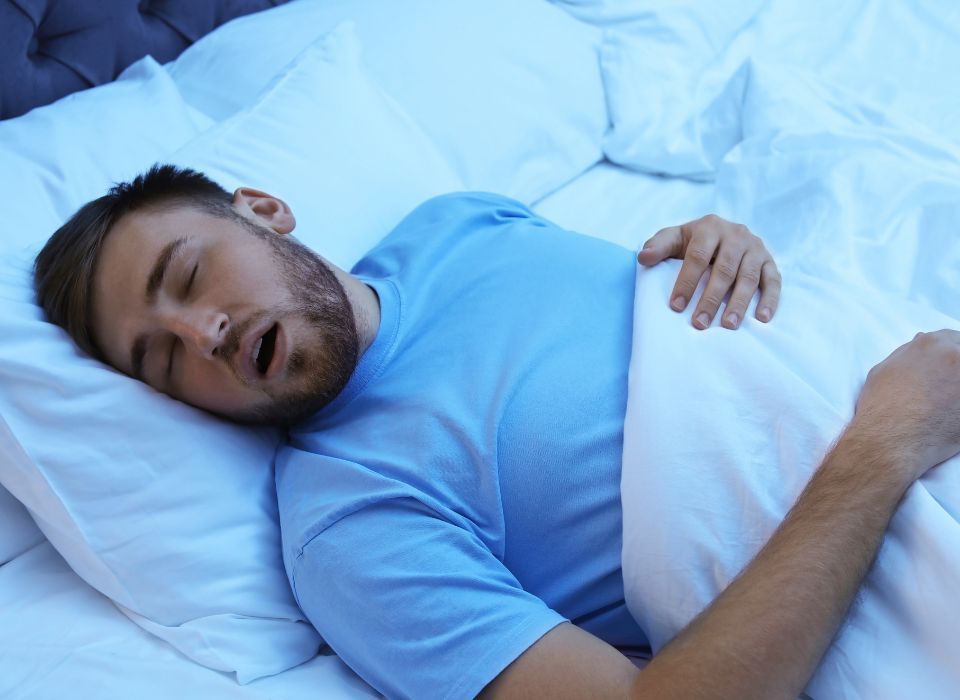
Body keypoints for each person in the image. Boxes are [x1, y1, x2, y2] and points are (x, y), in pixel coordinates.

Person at [33, 164, 960, 699]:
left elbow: (647, 327)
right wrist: (886, 444)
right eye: (162, 362)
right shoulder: (349, 524)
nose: (204, 335)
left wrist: (727, 249)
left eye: (190, 277)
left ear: (265, 211)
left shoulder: (459, 222)